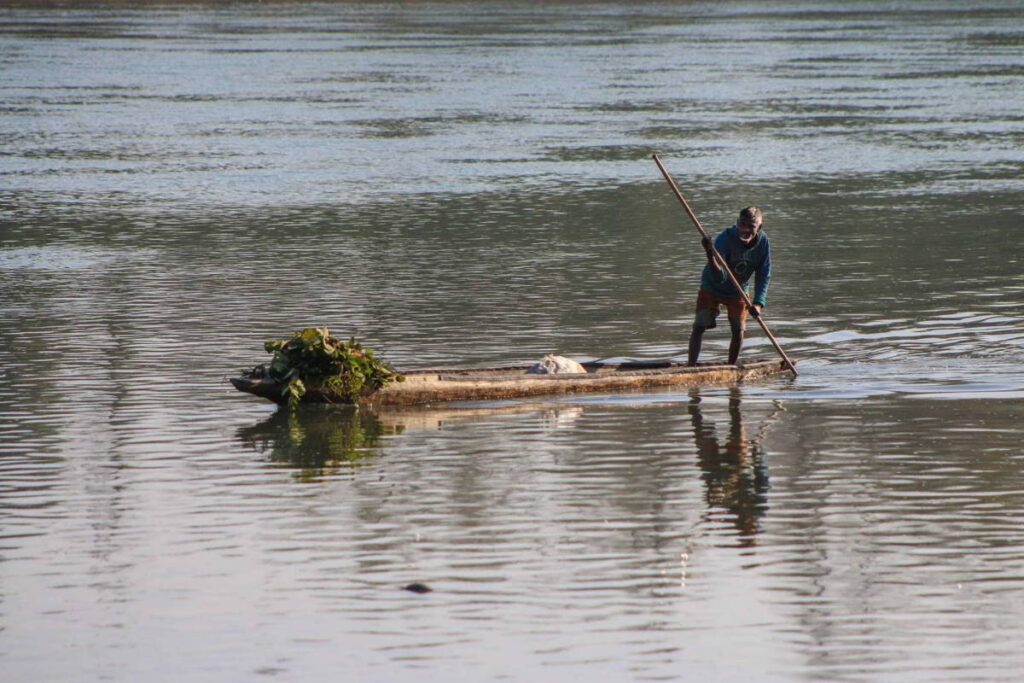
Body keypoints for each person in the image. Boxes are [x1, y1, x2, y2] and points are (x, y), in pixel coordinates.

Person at [688, 206, 770, 366]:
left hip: (738, 290)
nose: (745, 230)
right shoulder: (724, 239)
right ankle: (690, 366)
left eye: (751, 227)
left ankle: (731, 368)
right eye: (742, 225)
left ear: (759, 228)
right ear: (737, 223)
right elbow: (719, 277)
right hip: (712, 287)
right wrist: (709, 255)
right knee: (699, 326)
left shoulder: (763, 243)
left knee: (738, 329)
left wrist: (758, 303)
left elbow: (764, 274)